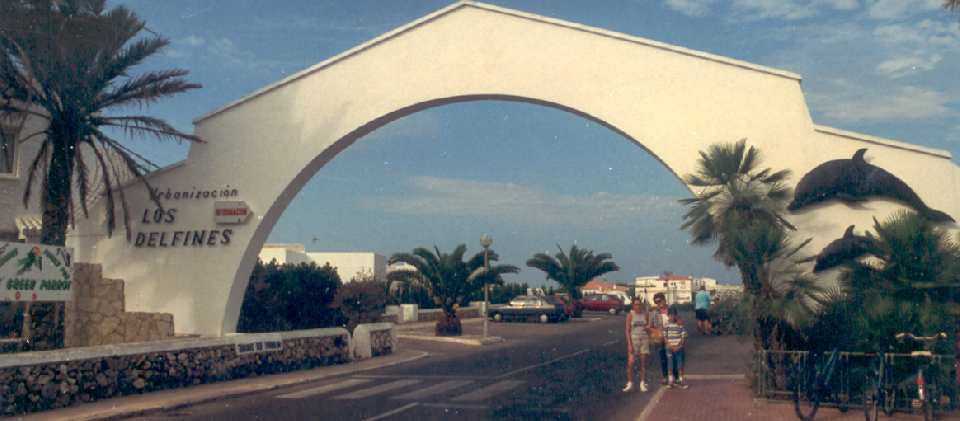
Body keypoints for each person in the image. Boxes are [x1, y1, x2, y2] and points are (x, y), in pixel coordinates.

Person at [623, 299, 651, 392]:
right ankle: (630, 382)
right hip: (634, 340)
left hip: (644, 339)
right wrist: (629, 344)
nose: (638, 306)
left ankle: (642, 382)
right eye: (636, 304)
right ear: (633, 305)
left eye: (639, 304)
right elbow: (627, 331)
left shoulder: (645, 314)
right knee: (631, 363)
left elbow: (648, 327)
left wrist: (648, 329)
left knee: (643, 363)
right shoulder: (630, 315)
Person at [664, 306, 689, 388]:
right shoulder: (666, 325)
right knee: (670, 365)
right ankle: (670, 381)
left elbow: (684, 336)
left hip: (679, 348)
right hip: (669, 348)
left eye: (673, 315)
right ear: (668, 315)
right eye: (670, 315)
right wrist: (669, 345)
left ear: (676, 315)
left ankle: (681, 380)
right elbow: (665, 336)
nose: (671, 317)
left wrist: (679, 346)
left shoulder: (680, 325)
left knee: (680, 365)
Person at [650, 292, 671, 385]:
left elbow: (678, 321)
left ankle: (675, 376)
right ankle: (665, 376)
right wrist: (656, 332)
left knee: (673, 357)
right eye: (656, 302)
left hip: (671, 336)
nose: (658, 304)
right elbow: (651, 326)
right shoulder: (654, 313)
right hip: (661, 338)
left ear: (664, 300)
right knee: (663, 357)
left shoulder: (671, 310)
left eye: (660, 301)